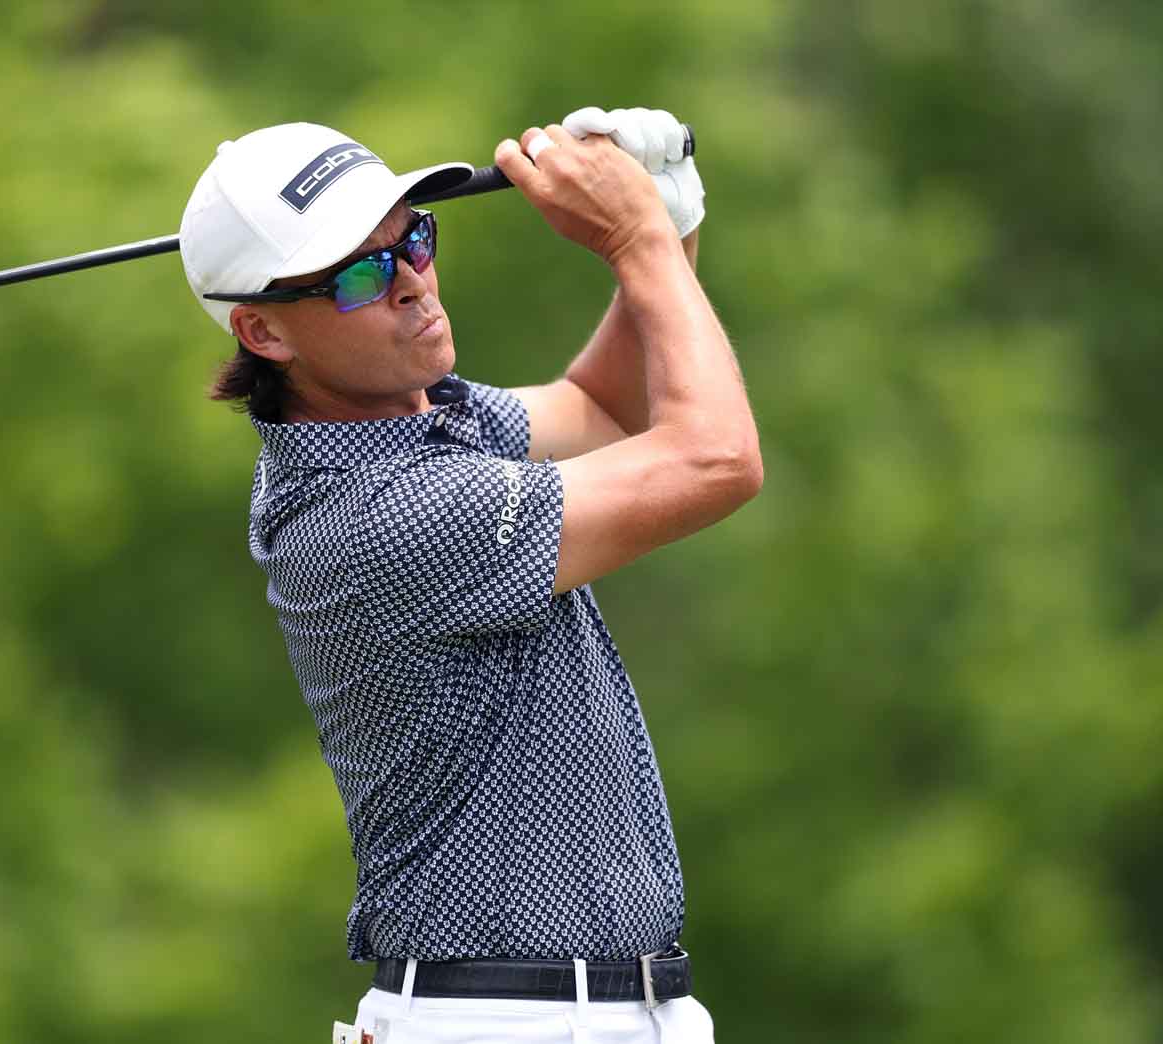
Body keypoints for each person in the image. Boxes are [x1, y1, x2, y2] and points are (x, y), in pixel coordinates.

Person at [177, 106, 759, 1044]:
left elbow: (602, 411)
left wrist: (671, 227)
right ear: (265, 332)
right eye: (361, 273)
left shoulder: (418, 419)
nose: (411, 281)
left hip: (598, 1011)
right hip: (500, 1021)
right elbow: (714, 461)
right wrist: (634, 238)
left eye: (414, 237)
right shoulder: (374, 514)